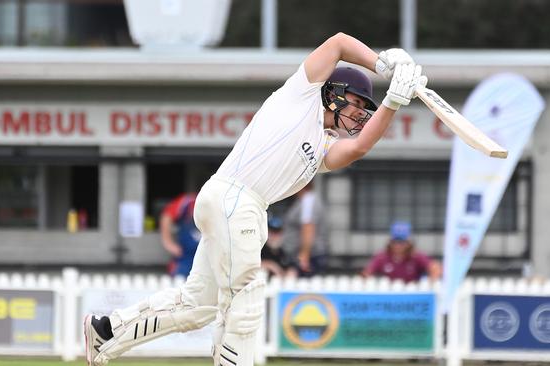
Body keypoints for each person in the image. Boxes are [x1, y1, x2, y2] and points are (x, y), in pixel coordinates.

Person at [84, 32, 427, 366]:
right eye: (357, 103)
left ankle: (107, 331)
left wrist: (393, 101)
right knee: (245, 295)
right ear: (334, 93)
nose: (361, 114)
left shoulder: (324, 146)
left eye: (367, 109)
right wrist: (381, 63)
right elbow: (338, 43)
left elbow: (360, 146)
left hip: (240, 207)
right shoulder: (301, 95)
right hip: (234, 197)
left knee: (198, 306)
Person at [362, 221, 442, 283]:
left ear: (408, 243)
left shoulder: (417, 256)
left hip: (413, 295)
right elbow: (367, 273)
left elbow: (435, 268)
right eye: (395, 241)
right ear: (390, 242)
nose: (398, 245)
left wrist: (430, 282)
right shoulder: (382, 257)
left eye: (402, 242)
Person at [282, 181, 328, 277]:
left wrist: (304, 256)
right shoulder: (305, 200)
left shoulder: (308, 200)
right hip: (304, 255)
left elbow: (308, 227)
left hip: (309, 256)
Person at [159, 192, 200, 278]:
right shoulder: (188, 201)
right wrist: (168, 243)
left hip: (208, 257)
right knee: (179, 281)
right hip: (186, 256)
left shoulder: (221, 203)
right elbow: (166, 216)